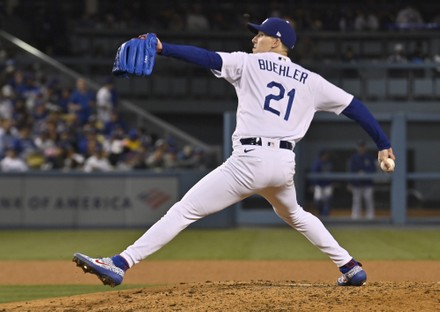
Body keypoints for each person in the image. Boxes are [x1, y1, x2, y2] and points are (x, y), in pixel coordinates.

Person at [73, 17, 395, 288]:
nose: (254, 38)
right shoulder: (311, 81)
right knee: (295, 214)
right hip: (283, 165)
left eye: (260, 34)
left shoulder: (248, 62)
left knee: (184, 211)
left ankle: (120, 263)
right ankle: (350, 267)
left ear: (276, 42)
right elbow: (356, 108)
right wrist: (383, 144)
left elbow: (207, 58)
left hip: (249, 161)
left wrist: (163, 47)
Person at [348, 139, 377, 220]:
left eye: (362, 146)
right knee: (356, 201)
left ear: (365, 147)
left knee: (368, 200)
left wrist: (365, 172)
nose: (361, 148)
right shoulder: (354, 157)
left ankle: (370, 217)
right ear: (358, 147)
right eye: (360, 146)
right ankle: (355, 217)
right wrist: (350, 182)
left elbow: (373, 169)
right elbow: (351, 170)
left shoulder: (369, 157)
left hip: (368, 183)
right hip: (357, 183)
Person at [310, 149, 334, 217]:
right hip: (319, 185)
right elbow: (313, 175)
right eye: (324, 155)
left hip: (327, 185)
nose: (326, 156)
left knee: (327, 200)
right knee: (317, 201)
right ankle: (320, 214)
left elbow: (332, 174)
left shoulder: (329, 163)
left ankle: (325, 215)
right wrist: (313, 185)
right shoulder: (317, 163)